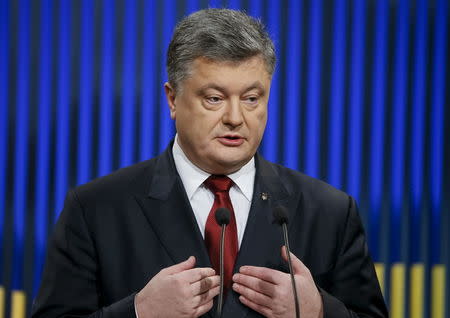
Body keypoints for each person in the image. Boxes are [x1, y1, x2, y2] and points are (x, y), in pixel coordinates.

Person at [32, 8, 388, 318]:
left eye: (251, 98)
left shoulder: (329, 212)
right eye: (215, 98)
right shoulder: (96, 208)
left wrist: (320, 312)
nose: (235, 118)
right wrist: (138, 312)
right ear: (172, 99)